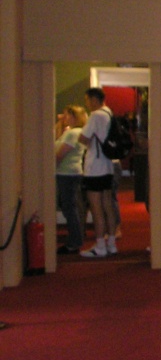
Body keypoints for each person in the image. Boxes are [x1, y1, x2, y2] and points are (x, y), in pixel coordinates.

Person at [78, 87, 121, 258]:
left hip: (95, 166)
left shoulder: (95, 116)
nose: (87, 104)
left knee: (96, 207)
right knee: (107, 204)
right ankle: (111, 243)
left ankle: (100, 245)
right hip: (108, 165)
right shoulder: (108, 113)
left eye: (87, 100)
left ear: (94, 99)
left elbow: (83, 139)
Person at [55, 105, 88, 254]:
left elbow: (60, 154)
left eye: (67, 115)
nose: (64, 117)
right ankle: (76, 238)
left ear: (74, 117)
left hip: (67, 173)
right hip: (70, 172)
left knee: (70, 208)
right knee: (72, 207)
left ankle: (75, 241)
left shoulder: (73, 133)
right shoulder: (73, 132)